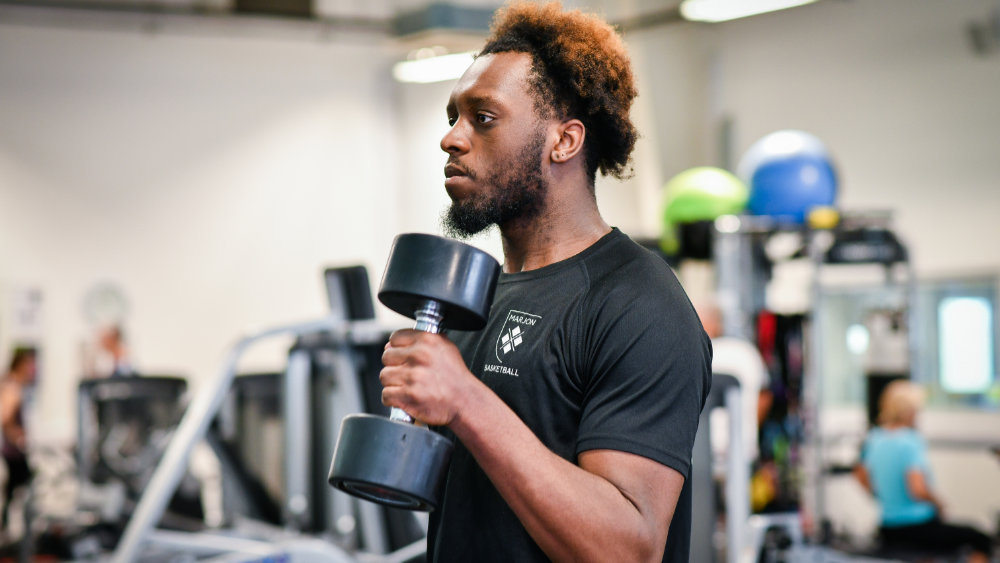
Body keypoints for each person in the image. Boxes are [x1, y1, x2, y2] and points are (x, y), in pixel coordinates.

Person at [379, 2, 712, 561]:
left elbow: (629, 548)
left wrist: (464, 401)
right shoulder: (475, 298)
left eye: (482, 118)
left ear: (565, 141)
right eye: (452, 117)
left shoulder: (639, 304)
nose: (452, 139)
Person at [854, 380, 993, 562]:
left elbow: (859, 475)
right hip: (917, 527)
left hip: (887, 528)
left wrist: (881, 496)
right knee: (981, 539)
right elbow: (917, 489)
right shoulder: (910, 441)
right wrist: (939, 503)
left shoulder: (874, 437)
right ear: (910, 410)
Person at [0, 347, 37, 530]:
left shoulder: (14, 385)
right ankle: (10, 525)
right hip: (13, 450)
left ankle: (9, 523)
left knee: (15, 488)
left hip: (13, 448)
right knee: (22, 484)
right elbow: (5, 417)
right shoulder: (12, 387)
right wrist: (16, 436)